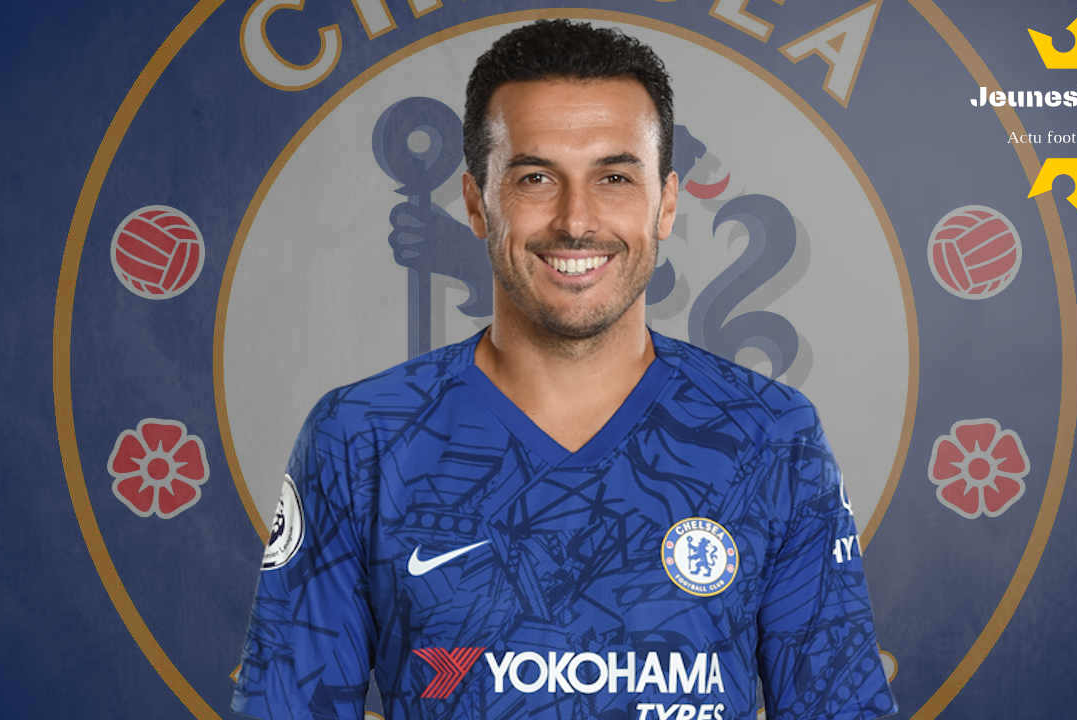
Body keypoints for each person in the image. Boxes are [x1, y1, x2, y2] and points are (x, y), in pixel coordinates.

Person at [232, 19, 897, 720]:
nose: (576, 220)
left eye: (614, 178)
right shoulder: (360, 437)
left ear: (666, 204)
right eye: (535, 178)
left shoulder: (772, 436)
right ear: (476, 204)